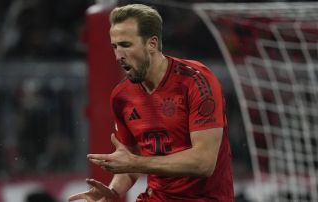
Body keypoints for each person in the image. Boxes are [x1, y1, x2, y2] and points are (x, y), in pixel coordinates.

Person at [69, 3, 233, 202]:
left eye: (126, 45)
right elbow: (129, 163)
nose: (118, 55)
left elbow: (204, 163)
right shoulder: (122, 96)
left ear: (152, 44)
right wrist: (111, 193)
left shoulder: (196, 82)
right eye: (115, 46)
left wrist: (136, 163)